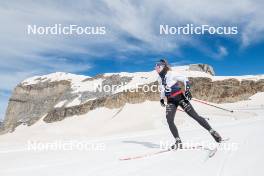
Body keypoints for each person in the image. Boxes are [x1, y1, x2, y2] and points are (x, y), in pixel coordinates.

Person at [155, 59, 222, 150]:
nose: (156, 68)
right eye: (155, 66)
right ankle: (178, 141)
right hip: (171, 100)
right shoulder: (160, 78)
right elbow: (163, 89)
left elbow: (185, 79)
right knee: (169, 120)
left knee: (194, 116)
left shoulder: (171, 74)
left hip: (180, 97)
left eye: (158, 66)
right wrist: (161, 99)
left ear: (162, 67)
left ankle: (213, 132)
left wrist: (187, 90)